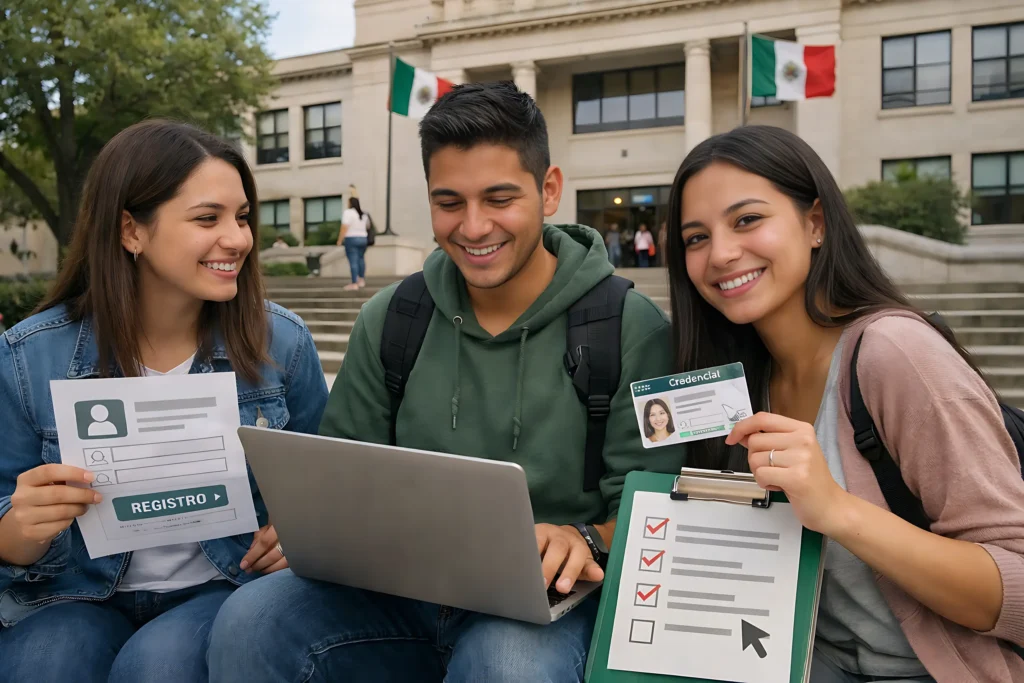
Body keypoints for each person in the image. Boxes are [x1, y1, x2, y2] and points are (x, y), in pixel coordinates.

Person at [208, 81, 687, 683]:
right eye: (449, 202)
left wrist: (584, 538)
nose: (474, 226)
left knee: (506, 664)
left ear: (550, 190)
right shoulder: (392, 317)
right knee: (252, 620)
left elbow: (656, 508)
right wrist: (307, 528)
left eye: (500, 198)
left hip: (545, 608)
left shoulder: (630, 328)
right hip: (395, 589)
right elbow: (344, 471)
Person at [664, 125, 1024, 682]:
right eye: (695, 237)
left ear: (815, 224)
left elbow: (1017, 588)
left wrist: (836, 507)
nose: (722, 253)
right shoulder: (737, 383)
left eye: (747, 220)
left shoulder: (895, 354)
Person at [0, 120, 329, 683]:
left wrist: (300, 535)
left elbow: (328, 487)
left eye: (242, 217)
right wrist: (19, 529)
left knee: (156, 668)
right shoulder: (27, 357)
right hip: (70, 594)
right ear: (131, 230)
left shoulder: (283, 343)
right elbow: (6, 514)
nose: (239, 239)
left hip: (222, 588)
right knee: (43, 666)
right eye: (208, 218)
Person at [338, 196, 369, 291]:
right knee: (361, 259)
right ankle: (361, 280)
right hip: (363, 238)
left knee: (353, 261)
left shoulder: (348, 212)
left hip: (352, 238)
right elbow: (368, 226)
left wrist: (339, 239)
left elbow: (344, 227)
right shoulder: (364, 214)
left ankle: (354, 283)